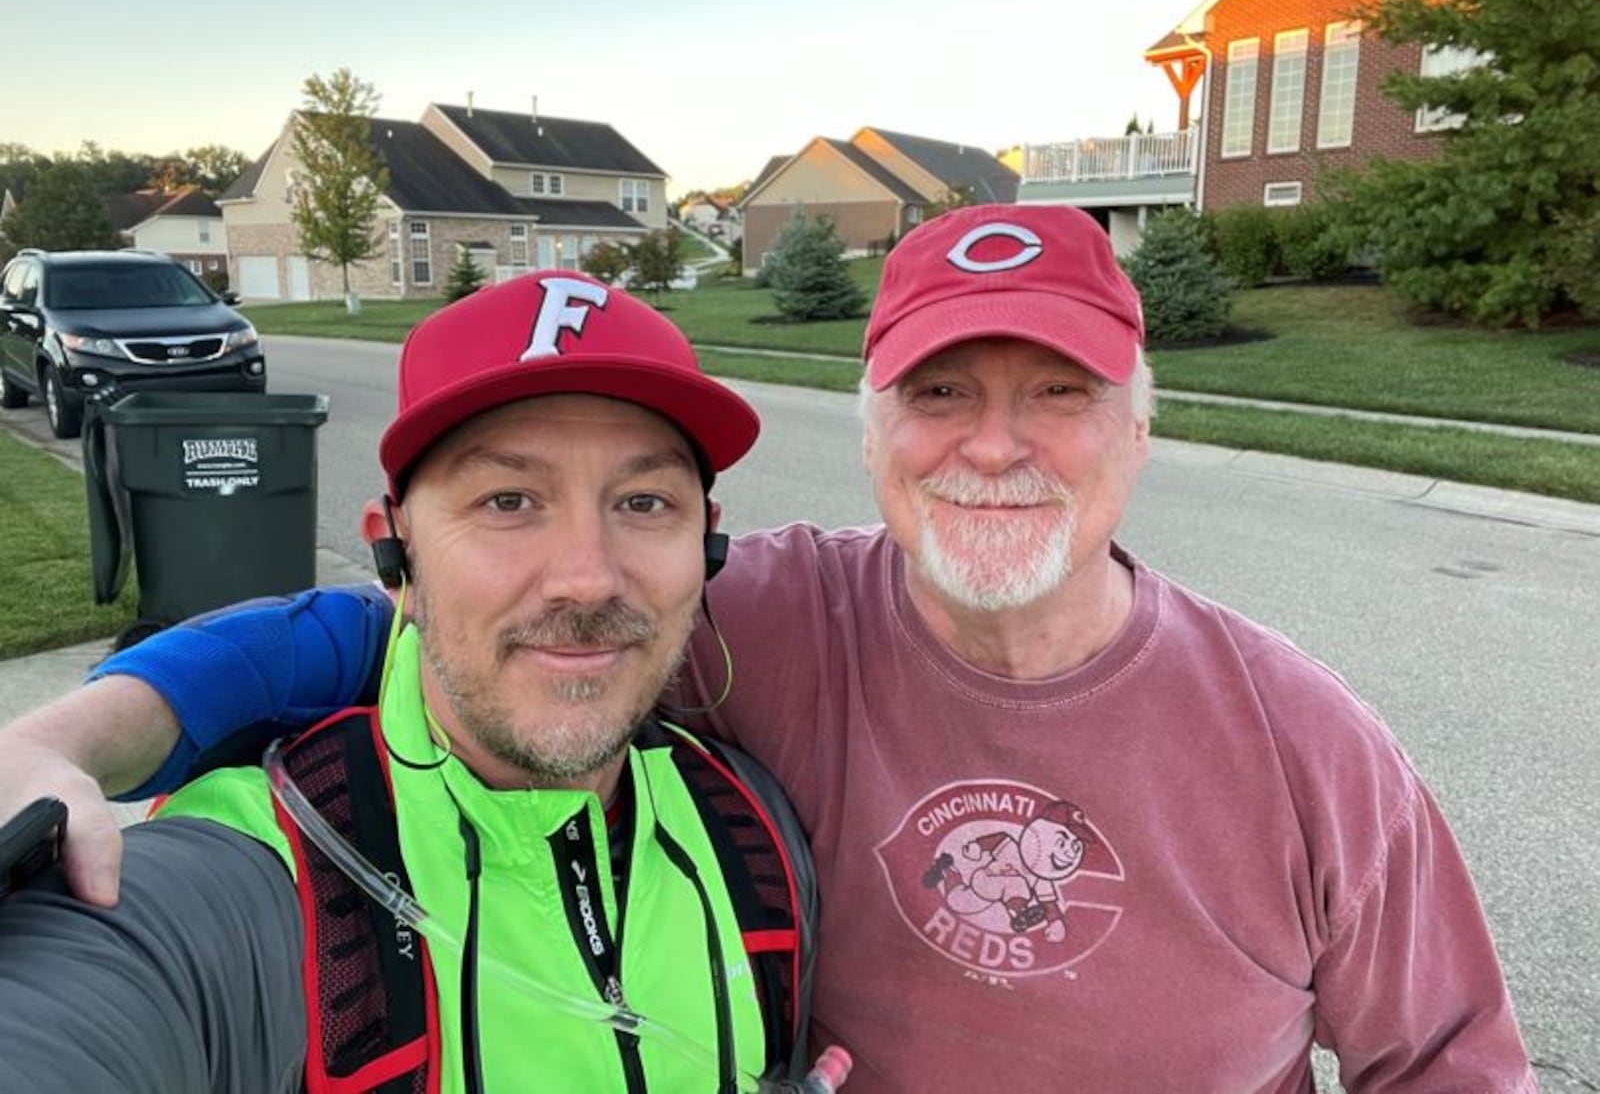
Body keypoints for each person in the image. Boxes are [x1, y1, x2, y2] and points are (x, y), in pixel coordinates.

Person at [0, 205, 1534, 1091]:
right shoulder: (763, 618)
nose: (993, 447)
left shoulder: (1305, 741)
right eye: (941, 393)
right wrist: (71, 744)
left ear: (1140, 427)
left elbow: (1454, 1063)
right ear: (870, 436)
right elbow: (381, 629)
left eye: (1056, 391)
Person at [0, 272, 829, 1093]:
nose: (588, 578)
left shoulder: (754, 836)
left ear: (711, 543)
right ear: (395, 553)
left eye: (645, 502)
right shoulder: (267, 869)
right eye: (509, 499)